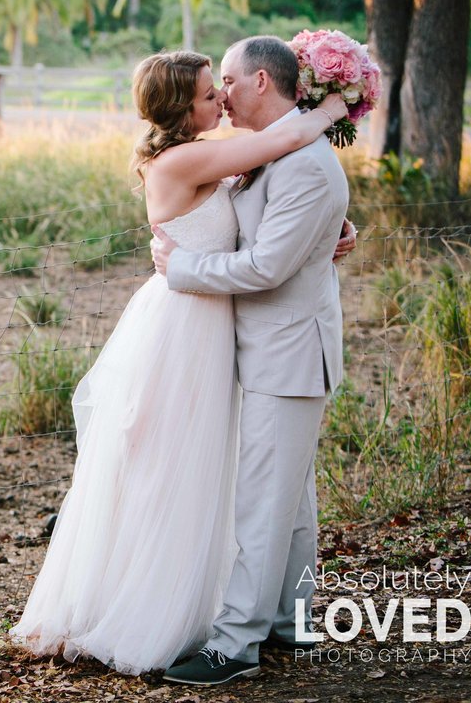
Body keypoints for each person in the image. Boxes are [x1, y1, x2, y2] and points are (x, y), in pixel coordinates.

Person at [8, 48, 351, 675]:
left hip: (227, 328)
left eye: (221, 85)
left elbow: (266, 220)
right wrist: (333, 104)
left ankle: (280, 623)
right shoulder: (194, 156)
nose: (219, 97)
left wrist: (326, 231)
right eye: (206, 92)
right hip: (188, 326)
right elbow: (291, 135)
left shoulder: (217, 155)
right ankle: (172, 610)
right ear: (181, 109)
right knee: (180, 472)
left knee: (271, 490)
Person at [154, 36, 352, 686]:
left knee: (264, 503)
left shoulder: (302, 163)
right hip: (272, 350)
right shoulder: (274, 155)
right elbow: (271, 228)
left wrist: (181, 267)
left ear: (262, 81)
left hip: (289, 354)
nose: (224, 94)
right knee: (290, 503)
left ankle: (234, 645)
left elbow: (265, 266)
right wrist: (334, 233)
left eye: (230, 81)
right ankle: (293, 623)